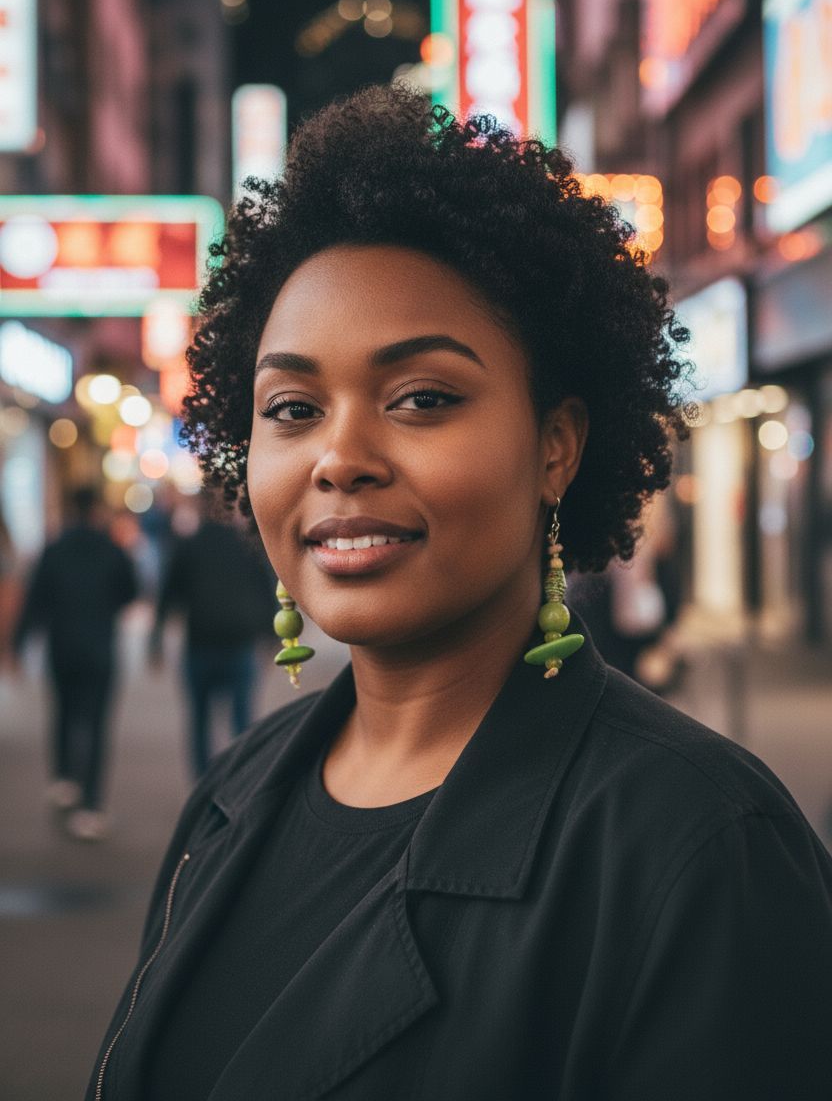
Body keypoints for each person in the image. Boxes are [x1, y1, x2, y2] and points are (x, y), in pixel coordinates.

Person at [87, 87, 832, 1100]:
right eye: (293, 408)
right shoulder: (232, 792)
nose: (339, 458)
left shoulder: (697, 847)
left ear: (556, 445)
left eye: (422, 399)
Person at [14, 486, 138, 841]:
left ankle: (64, 778)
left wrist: (19, 646)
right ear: (96, 510)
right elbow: (130, 593)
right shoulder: (111, 549)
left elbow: (35, 600)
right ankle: (91, 806)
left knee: (64, 711)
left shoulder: (53, 550)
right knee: (97, 724)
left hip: (62, 647)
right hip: (100, 648)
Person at [151, 491, 276, 777]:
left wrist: (156, 642)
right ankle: (243, 784)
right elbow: (266, 590)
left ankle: (203, 786)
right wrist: (272, 635)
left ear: (201, 508)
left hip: (200, 645)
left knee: (199, 721)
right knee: (242, 721)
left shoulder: (188, 546)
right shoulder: (248, 546)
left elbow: (167, 596)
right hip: (239, 645)